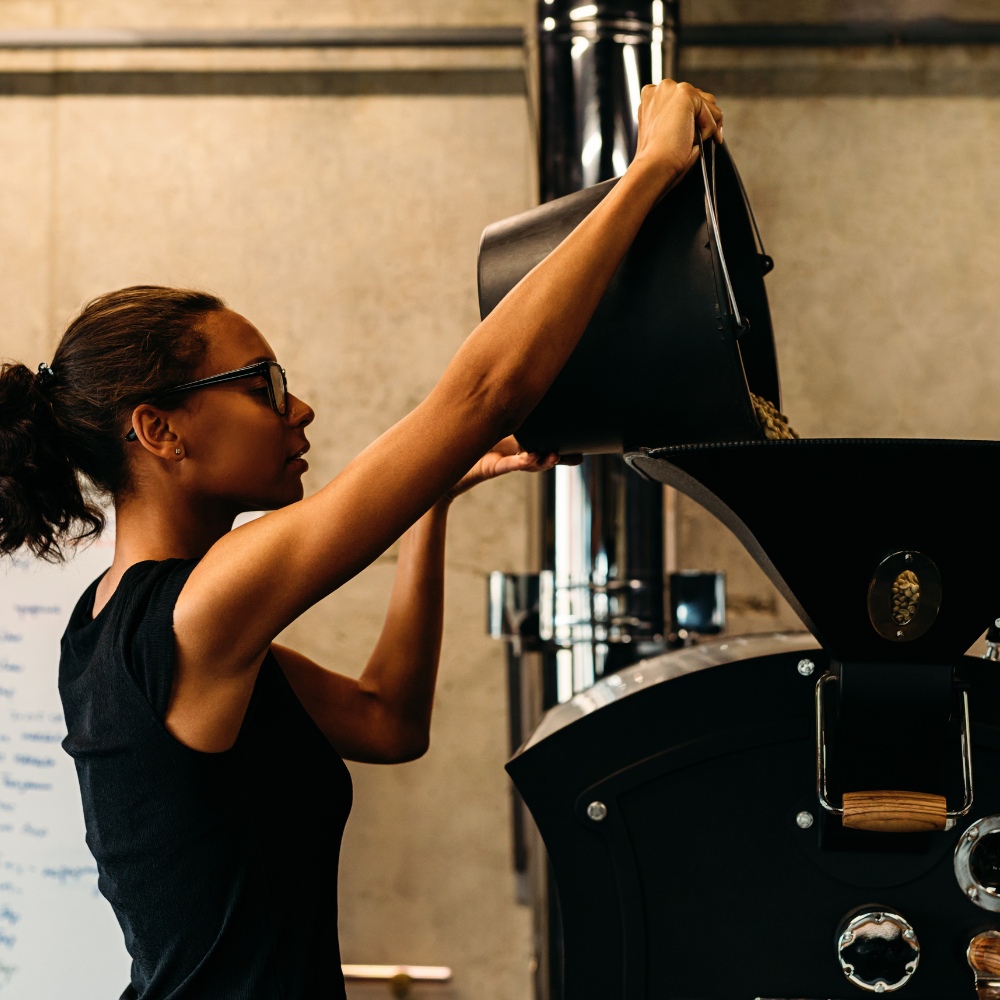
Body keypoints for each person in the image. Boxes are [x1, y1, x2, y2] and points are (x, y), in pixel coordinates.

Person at [0, 80, 723, 999]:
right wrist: (652, 170)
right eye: (262, 383)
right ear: (160, 429)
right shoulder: (205, 604)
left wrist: (431, 508)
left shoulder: (115, 628)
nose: (297, 407)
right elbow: (483, 393)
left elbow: (388, 721)